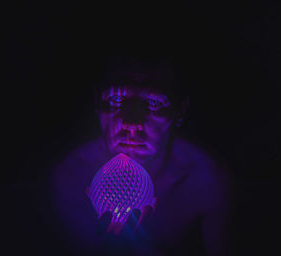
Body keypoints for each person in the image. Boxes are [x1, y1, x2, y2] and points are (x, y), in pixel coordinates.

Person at [50, 53, 233, 256]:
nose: (131, 123)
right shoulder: (70, 177)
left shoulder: (205, 178)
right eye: (116, 99)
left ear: (179, 111)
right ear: (96, 103)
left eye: (154, 103)